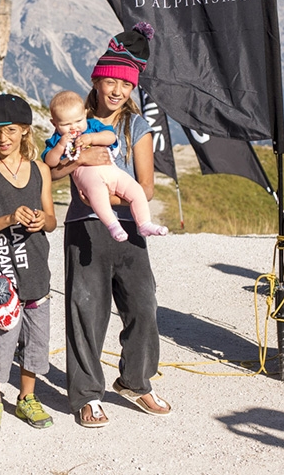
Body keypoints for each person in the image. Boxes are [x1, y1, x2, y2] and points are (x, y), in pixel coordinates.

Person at [49, 23, 173, 428]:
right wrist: (80, 162)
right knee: (86, 310)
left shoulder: (136, 127)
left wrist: (115, 197)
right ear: (97, 81)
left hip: (128, 227)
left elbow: (148, 188)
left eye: (127, 83)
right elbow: (49, 173)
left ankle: (136, 381)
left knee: (143, 305)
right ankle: (86, 395)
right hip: (84, 227)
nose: (118, 90)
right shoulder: (72, 122)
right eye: (111, 81)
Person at [0, 94, 57, 434]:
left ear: (24, 131)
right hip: (1, 273)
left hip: (36, 269)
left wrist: (40, 221)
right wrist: (7, 218)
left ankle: (27, 397)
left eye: (9, 130)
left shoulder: (41, 170)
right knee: (0, 336)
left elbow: (51, 219)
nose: (2, 138)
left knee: (36, 338)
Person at [43, 90, 168, 242]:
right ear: (54, 123)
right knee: (98, 192)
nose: (73, 127)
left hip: (112, 171)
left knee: (135, 190)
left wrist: (91, 138)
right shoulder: (57, 138)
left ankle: (145, 223)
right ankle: (113, 225)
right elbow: (50, 162)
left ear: (85, 114)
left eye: (78, 121)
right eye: (66, 124)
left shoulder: (93, 126)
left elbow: (110, 136)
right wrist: (61, 146)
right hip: (88, 176)